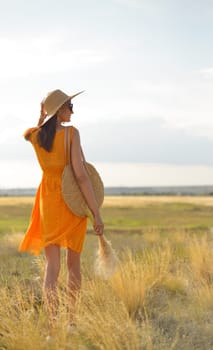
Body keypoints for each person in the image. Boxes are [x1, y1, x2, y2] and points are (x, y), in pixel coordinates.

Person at [19, 89, 104, 326]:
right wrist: (96, 212)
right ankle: (72, 321)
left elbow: (29, 134)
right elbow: (81, 176)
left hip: (48, 201)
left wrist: (41, 118)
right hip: (71, 203)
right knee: (73, 265)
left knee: (52, 267)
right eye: (69, 107)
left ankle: (54, 324)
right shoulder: (71, 134)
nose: (72, 111)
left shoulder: (37, 137)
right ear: (59, 111)